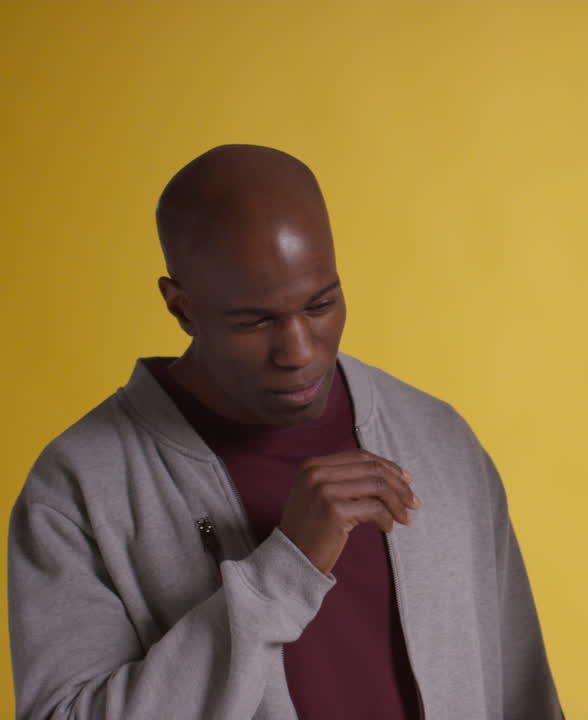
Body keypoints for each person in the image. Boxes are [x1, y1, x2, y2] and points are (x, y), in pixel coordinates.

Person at [8, 145, 560, 720]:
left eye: (321, 305)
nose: (298, 351)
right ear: (182, 308)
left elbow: (522, 694)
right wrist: (285, 570)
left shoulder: (435, 437)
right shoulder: (80, 486)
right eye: (254, 321)